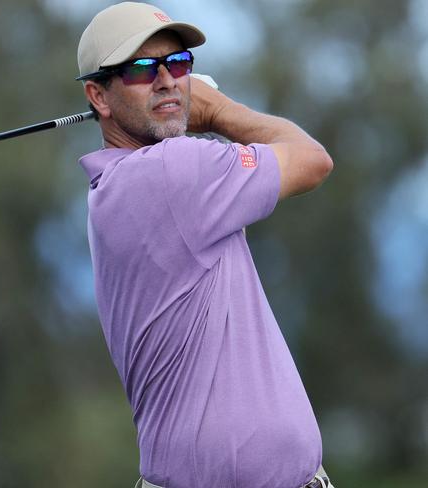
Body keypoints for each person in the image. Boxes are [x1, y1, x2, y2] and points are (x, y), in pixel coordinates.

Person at [76, 3, 335, 488]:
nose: (167, 81)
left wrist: (181, 115)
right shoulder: (171, 172)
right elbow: (313, 159)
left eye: (177, 64)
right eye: (140, 69)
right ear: (98, 96)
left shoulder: (114, 187)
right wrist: (217, 110)